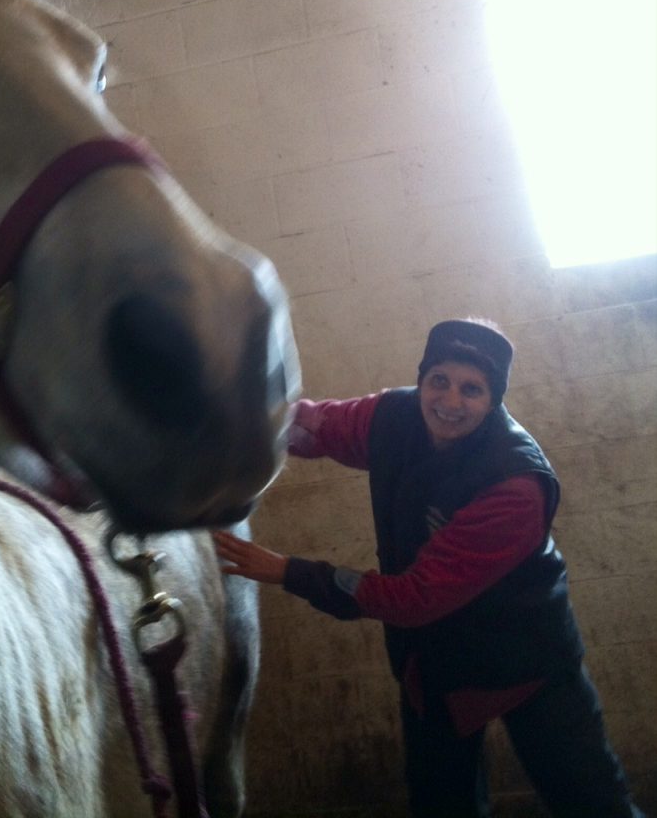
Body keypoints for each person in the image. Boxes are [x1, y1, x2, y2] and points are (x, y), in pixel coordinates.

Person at [213, 318, 644, 818]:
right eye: (439, 380)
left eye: (472, 389)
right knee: (441, 806)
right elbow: (318, 425)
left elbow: (413, 598)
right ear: (422, 380)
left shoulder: (515, 485)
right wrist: (240, 423)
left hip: (528, 658)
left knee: (591, 802)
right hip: (435, 662)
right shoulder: (394, 417)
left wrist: (289, 571)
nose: (450, 401)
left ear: (493, 399)